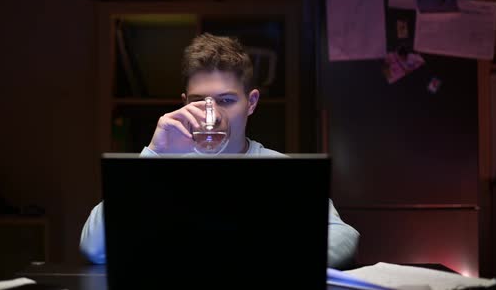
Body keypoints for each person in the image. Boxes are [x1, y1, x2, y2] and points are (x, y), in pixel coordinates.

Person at [80, 33, 360, 269]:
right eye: (199, 101)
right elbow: (92, 247)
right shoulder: (158, 169)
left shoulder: (280, 170)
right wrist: (154, 155)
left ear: (251, 103)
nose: (211, 115)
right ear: (183, 103)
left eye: (226, 100)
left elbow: (342, 236)